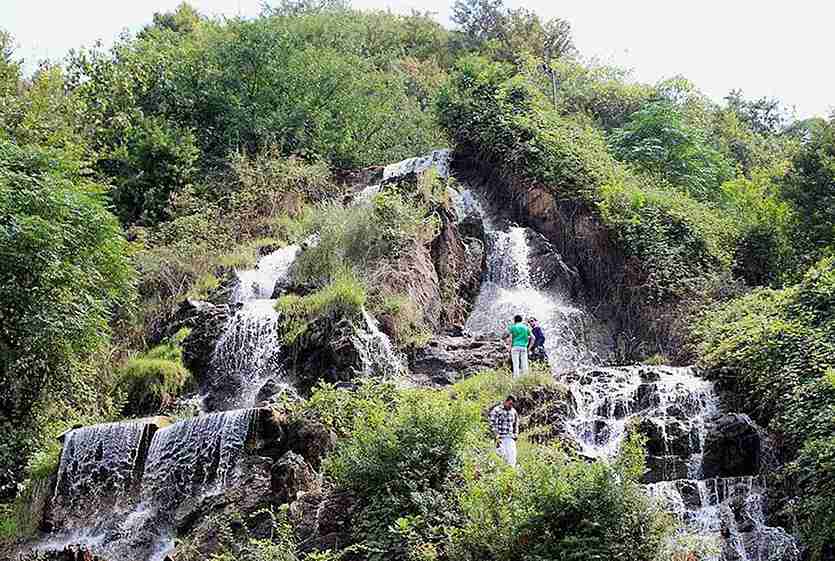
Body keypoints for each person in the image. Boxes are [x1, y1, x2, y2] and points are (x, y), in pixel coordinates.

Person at [489, 395, 519, 467]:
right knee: (500, 457)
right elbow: (492, 424)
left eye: (512, 404)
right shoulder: (496, 410)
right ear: (506, 401)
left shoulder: (513, 411)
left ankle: (511, 474)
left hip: (510, 437)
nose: (511, 406)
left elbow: (516, 424)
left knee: (512, 457)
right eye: (510, 403)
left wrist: (516, 434)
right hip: (500, 438)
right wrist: (496, 436)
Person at [504, 314, 531, 378]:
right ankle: (526, 378)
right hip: (524, 347)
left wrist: (509, 348)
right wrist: (529, 348)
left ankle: (516, 378)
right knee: (524, 364)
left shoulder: (513, 327)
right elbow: (533, 337)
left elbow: (510, 339)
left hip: (515, 347)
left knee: (516, 364)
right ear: (521, 320)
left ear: (514, 320)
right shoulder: (526, 327)